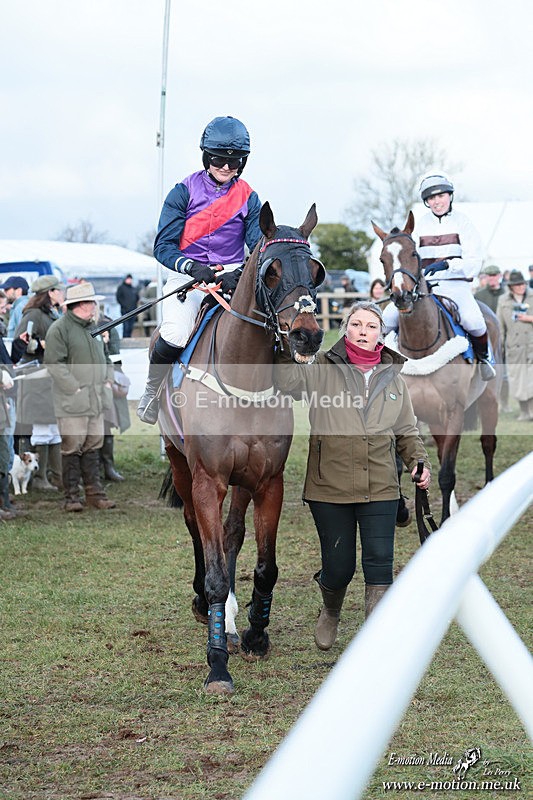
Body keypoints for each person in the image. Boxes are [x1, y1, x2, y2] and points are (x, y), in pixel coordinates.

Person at [275, 301, 431, 650]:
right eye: (357, 324)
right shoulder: (321, 368)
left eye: (371, 326)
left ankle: (374, 644)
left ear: (381, 333)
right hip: (329, 487)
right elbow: (287, 381)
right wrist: (290, 339)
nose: (363, 331)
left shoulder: (393, 376)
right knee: (339, 568)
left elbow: (406, 430)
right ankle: (330, 612)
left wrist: (418, 462)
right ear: (346, 329)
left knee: (379, 566)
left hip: (381, 486)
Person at [137, 115, 262, 424]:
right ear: (207, 156)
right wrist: (192, 266)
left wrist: (242, 271)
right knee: (177, 333)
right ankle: (152, 392)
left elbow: (259, 245)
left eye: (234, 162)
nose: (226, 167)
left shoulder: (249, 197)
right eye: (219, 159)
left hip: (232, 276)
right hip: (187, 276)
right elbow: (163, 247)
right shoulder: (183, 191)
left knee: (265, 327)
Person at [383, 172, 496, 381]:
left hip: (456, 286)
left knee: (474, 321)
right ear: (426, 202)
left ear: (450, 196)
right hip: (424, 287)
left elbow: (474, 262)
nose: (437, 202)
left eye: (441, 196)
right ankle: (375, 366)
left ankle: (484, 360)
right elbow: (405, 255)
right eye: (431, 198)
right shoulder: (418, 226)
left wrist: (448, 265)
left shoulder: (464, 223)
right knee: (387, 317)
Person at [43, 282, 116, 511]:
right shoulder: (59, 329)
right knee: (72, 446)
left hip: (95, 398)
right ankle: (72, 497)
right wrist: (74, 387)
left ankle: (95, 493)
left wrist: (107, 378)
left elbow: (105, 356)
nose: (95, 306)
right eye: (92, 302)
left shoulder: (92, 328)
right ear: (82, 305)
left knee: (94, 444)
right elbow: (54, 364)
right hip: (72, 400)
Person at [12, 275, 65, 491]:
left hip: (50, 376)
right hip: (36, 377)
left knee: (53, 428)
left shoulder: (52, 314)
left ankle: (56, 476)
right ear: (50, 292)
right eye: (58, 290)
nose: (62, 293)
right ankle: (40, 477)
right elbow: (21, 341)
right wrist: (41, 345)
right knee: (43, 428)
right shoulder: (33, 314)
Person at [496, 270, 533, 421]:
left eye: (523, 284)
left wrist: (529, 318)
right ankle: (524, 412)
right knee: (518, 381)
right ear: (511, 287)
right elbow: (500, 327)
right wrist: (501, 350)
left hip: (531, 345)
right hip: (514, 347)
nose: (521, 287)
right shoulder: (503, 301)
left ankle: (532, 412)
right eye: (517, 285)